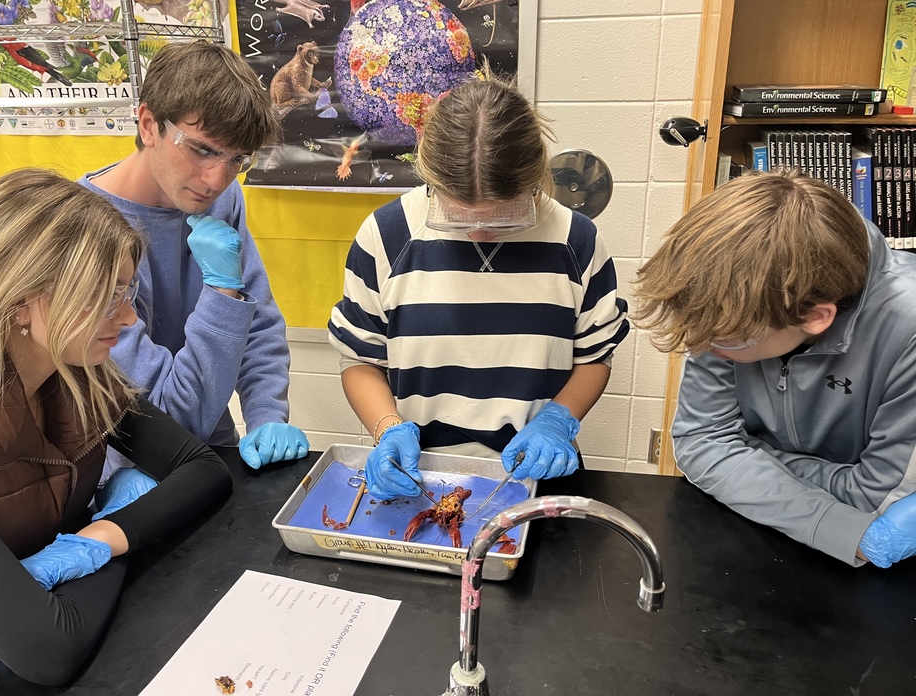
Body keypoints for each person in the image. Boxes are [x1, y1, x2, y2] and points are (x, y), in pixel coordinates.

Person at [0, 170, 233, 684]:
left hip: (8, 636)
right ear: (19, 301)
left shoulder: (76, 374)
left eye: (127, 291)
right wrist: (107, 532)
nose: (128, 317)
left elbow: (203, 470)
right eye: (106, 296)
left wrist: (102, 538)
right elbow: (47, 650)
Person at [328, 69, 629, 500]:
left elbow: (595, 356)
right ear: (431, 180)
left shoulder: (574, 238)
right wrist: (387, 427)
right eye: (458, 216)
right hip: (421, 477)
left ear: (532, 182)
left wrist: (558, 418)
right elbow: (360, 359)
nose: (480, 234)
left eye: (503, 216)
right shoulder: (387, 234)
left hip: (532, 475)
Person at [634, 170, 916, 569]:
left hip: (872, 568)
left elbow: (874, 502)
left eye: (726, 339)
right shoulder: (730, 302)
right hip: (771, 538)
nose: (704, 347)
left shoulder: (908, 328)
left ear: (817, 317)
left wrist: (744, 459)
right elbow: (701, 441)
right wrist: (831, 516)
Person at [79, 40, 309, 470]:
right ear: (148, 124)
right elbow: (169, 415)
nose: (217, 178)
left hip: (207, 449)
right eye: (202, 149)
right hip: (120, 462)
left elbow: (255, 324)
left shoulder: (221, 198)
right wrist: (223, 290)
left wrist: (265, 415)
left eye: (237, 159)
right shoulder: (80, 228)